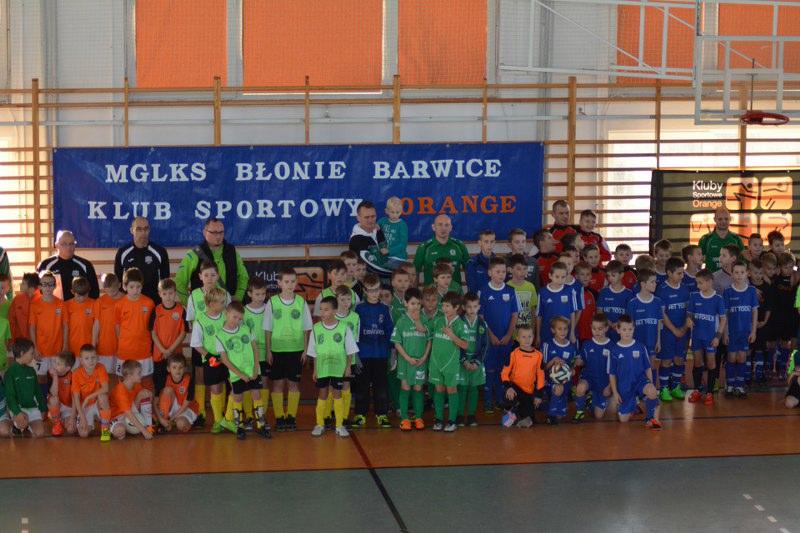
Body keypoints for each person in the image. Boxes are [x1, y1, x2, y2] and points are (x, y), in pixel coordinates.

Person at [264, 268, 312, 432]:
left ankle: (291, 416)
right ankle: (279, 417)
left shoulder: (301, 302)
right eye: (286, 282)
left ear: (296, 282)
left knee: (293, 384)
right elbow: (267, 329)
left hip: (296, 350)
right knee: (277, 384)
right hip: (277, 350)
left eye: (293, 281)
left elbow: (306, 328)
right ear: (279, 283)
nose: (290, 285)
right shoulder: (272, 302)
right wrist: (268, 350)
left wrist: (305, 350)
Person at [216, 301, 270, 439]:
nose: (237, 321)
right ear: (226, 314)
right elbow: (225, 360)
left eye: (240, 318)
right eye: (234, 317)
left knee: (257, 395)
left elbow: (255, 350)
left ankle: (261, 425)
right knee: (237, 397)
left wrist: (255, 369)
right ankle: (239, 427)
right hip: (236, 374)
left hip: (252, 371)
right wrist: (240, 374)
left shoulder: (246, 329)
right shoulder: (220, 336)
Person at [186, 261, 231, 422]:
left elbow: (230, 317)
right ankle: (200, 412)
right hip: (202, 345)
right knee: (199, 375)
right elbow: (191, 319)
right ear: (200, 277)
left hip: (222, 346)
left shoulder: (224, 294)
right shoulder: (194, 295)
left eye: (213, 275)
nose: (210, 278)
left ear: (218, 276)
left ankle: (222, 411)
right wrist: (200, 337)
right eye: (206, 275)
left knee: (222, 377)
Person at [308, 296, 358, 438]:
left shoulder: (344, 328)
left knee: (337, 394)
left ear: (335, 311)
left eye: (326, 309)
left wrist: (348, 367)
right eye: (321, 309)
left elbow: (350, 350)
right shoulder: (316, 328)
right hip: (323, 368)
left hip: (338, 368)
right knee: (322, 394)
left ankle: (339, 425)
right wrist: (315, 369)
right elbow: (314, 352)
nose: (323, 313)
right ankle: (319, 424)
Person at [175, 218, 249, 305]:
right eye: (214, 232)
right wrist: (191, 304)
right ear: (204, 232)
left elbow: (244, 277)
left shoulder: (233, 252)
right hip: (204, 309)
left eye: (221, 232)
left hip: (228, 308)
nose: (218, 236)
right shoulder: (194, 254)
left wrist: (238, 298)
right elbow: (179, 282)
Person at [352, 273, 393, 428]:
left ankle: (381, 414)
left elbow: (390, 331)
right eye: (371, 290)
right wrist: (355, 354)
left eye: (376, 289)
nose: (374, 293)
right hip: (363, 354)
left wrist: (392, 352)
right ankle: (360, 414)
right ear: (364, 290)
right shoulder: (358, 308)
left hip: (380, 354)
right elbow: (354, 332)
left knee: (381, 386)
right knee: (361, 386)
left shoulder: (385, 309)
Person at [478, 258, 519, 412]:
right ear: (490, 273)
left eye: (503, 272)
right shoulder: (483, 291)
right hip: (490, 340)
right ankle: (488, 400)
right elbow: (481, 317)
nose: (501, 275)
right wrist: (491, 336)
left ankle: (501, 399)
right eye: (497, 272)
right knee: (489, 370)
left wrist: (509, 334)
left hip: (506, 339)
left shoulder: (511, 291)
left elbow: (515, 314)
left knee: (503, 370)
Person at [609, 316, 662, 429]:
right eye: (624, 329)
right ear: (618, 330)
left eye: (630, 329)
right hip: (625, 386)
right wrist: (615, 393)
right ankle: (634, 404)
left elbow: (647, 367)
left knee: (652, 391)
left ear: (634, 329)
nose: (627, 332)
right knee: (623, 420)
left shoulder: (640, 346)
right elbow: (612, 374)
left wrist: (650, 384)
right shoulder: (614, 350)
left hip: (640, 381)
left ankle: (651, 418)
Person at [190, 287, 229, 433]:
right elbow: (196, 344)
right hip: (211, 359)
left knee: (228, 385)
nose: (224, 305)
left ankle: (228, 417)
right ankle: (218, 420)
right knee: (215, 388)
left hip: (227, 358)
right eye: (221, 302)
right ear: (211, 304)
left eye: (224, 301)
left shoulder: (226, 316)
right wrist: (209, 357)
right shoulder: (200, 320)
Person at [429, 292, 468, 432]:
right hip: (436, 362)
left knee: (451, 389)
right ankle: (439, 419)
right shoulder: (438, 321)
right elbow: (428, 334)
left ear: (456, 307)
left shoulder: (461, 324)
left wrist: (452, 335)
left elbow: (465, 345)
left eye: (447, 306)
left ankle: (452, 420)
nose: (444, 308)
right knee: (438, 389)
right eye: (443, 305)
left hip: (450, 363)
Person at [391, 288, 429, 431]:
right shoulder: (401, 321)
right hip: (405, 362)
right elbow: (397, 343)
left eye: (418, 304)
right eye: (413, 303)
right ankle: (405, 418)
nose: (416, 307)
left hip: (420, 362)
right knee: (405, 387)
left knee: (418, 388)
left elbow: (429, 339)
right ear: (406, 303)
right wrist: (407, 358)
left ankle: (418, 417)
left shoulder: (424, 320)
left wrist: (424, 357)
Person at [687, 269, 727, 405]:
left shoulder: (718, 299)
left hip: (710, 337)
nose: (698, 286)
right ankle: (697, 390)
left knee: (711, 363)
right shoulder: (694, 296)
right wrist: (689, 319)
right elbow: (689, 314)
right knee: (697, 363)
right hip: (697, 336)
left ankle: (709, 392)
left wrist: (717, 337)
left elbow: (723, 319)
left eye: (700, 283)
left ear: (710, 282)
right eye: (697, 283)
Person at [655, 257, 690, 400]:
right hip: (667, 332)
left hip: (683, 332)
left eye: (683, 273)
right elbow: (662, 314)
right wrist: (674, 330)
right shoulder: (661, 290)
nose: (682, 276)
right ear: (669, 273)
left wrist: (684, 327)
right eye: (679, 273)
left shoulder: (685, 289)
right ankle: (664, 389)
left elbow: (689, 311)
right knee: (666, 360)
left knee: (679, 359)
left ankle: (676, 387)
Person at [114, 217, 170, 304]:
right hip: (130, 304)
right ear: (132, 230)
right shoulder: (122, 253)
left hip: (153, 303)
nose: (143, 233)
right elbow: (118, 282)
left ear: (149, 230)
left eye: (146, 229)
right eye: (139, 229)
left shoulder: (160, 252)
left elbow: (165, 283)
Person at [115, 268, 156, 387]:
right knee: (123, 381)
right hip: (125, 351)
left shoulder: (149, 303)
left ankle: (146, 400)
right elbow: (117, 326)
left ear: (142, 286)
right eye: (131, 287)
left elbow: (153, 328)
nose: (135, 290)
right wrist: (123, 342)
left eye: (138, 287)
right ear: (124, 286)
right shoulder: (119, 304)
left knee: (146, 381)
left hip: (144, 350)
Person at [723, 261, 759, 397]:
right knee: (731, 358)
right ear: (731, 274)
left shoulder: (751, 291)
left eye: (742, 272)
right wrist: (725, 333)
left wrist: (753, 331)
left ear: (747, 274)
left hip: (745, 332)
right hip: (732, 332)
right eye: (736, 272)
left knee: (742, 357)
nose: (739, 275)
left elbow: (755, 312)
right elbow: (724, 315)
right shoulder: (728, 292)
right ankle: (730, 385)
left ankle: (739, 385)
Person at [149, 278, 188, 396]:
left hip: (175, 354)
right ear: (160, 294)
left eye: (170, 293)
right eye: (164, 293)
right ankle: (159, 404)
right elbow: (153, 333)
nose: (168, 297)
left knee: (175, 382)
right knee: (159, 384)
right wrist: (163, 350)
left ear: (175, 292)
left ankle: (175, 404)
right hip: (159, 354)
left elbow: (183, 332)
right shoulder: (156, 310)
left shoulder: (181, 310)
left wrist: (170, 350)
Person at [501, 325, 544, 428]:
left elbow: (541, 376)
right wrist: (508, 387)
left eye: (529, 336)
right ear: (518, 338)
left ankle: (519, 413)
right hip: (514, 388)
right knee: (510, 397)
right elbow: (504, 373)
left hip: (528, 392)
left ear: (533, 337)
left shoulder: (538, 355)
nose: (527, 340)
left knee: (529, 421)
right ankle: (508, 410)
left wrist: (538, 395)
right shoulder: (513, 354)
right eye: (523, 337)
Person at [37, 230, 99, 300]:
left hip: (79, 306)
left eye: (71, 244)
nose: (68, 247)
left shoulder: (85, 265)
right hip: (54, 306)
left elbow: (94, 292)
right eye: (64, 244)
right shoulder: (45, 265)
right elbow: (38, 292)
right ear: (56, 245)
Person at [5, 339, 47, 437]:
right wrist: (17, 412)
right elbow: (10, 396)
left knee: (40, 433)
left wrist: (43, 408)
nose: (33, 356)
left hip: (32, 407)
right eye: (31, 353)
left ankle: (26, 426)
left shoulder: (31, 371)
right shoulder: (10, 373)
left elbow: (38, 392)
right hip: (19, 409)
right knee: (22, 422)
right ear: (22, 353)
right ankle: (17, 425)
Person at [574, 313, 613, 420]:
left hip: (603, 383)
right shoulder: (587, 344)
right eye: (594, 328)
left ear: (606, 328)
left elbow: (615, 371)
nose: (597, 332)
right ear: (591, 327)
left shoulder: (612, 346)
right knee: (580, 387)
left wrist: (609, 387)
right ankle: (580, 412)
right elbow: (582, 360)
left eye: (600, 329)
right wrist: (578, 361)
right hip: (589, 379)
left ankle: (590, 401)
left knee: (598, 416)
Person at [414, 214, 470, 288]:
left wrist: (470, 292)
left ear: (451, 228)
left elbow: (469, 270)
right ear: (433, 227)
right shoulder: (424, 247)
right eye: (440, 224)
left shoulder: (459, 245)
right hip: (431, 293)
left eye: (446, 225)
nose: (443, 228)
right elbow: (415, 272)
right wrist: (414, 293)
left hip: (455, 292)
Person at [458, 292, 488, 427]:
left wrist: (477, 362)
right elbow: (455, 343)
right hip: (462, 362)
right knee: (462, 388)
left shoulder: (482, 323)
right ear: (463, 307)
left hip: (476, 362)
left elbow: (485, 345)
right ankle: (459, 415)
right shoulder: (459, 322)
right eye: (469, 307)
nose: (472, 310)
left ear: (479, 307)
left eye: (475, 306)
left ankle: (471, 415)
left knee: (473, 388)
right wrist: (463, 360)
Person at [626, 270, 664, 378]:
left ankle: (652, 388)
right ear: (643, 284)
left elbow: (659, 323)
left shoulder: (657, 301)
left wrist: (659, 341)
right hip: (637, 342)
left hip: (652, 341)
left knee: (652, 367)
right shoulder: (633, 303)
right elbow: (629, 326)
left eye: (655, 282)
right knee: (638, 368)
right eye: (652, 282)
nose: (655, 284)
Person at [29, 270, 66, 379]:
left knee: (56, 378)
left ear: (55, 286)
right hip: (41, 350)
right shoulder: (35, 305)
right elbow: (32, 328)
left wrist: (65, 346)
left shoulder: (61, 304)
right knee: (41, 379)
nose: (48, 287)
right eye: (44, 284)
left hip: (57, 350)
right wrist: (35, 348)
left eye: (50, 284)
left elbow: (65, 327)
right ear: (40, 286)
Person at [541, 316, 578, 425]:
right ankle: (550, 416)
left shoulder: (571, 347)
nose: (563, 331)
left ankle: (546, 405)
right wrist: (553, 361)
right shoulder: (547, 345)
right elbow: (543, 368)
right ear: (553, 330)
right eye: (559, 329)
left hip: (566, 383)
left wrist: (572, 370)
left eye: (565, 329)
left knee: (560, 416)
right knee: (558, 388)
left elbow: (573, 366)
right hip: (549, 383)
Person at [71, 343, 112, 441]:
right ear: (81, 361)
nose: (91, 361)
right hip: (85, 406)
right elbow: (76, 398)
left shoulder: (100, 367)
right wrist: (82, 417)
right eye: (87, 358)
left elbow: (105, 388)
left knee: (103, 396)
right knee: (83, 434)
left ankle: (105, 430)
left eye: (93, 357)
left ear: (97, 358)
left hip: (98, 403)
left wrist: (88, 397)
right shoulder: (76, 373)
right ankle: (96, 419)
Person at [333, 285, 360, 427]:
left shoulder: (355, 317)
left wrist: (352, 361)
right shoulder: (331, 316)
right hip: (333, 359)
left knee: (346, 385)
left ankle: (344, 416)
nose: (346, 302)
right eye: (342, 299)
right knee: (333, 387)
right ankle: (331, 414)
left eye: (348, 299)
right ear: (336, 299)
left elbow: (356, 340)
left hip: (349, 360)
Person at [243, 277, 269, 422]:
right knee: (248, 385)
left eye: (263, 294)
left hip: (265, 353)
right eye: (257, 294)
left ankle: (261, 416)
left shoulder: (269, 308)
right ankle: (249, 416)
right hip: (249, 356)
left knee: (263, 384)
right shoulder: (243, 311)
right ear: (249, 294)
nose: (260, 297)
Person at [536, 261, 578, 347]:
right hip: (547, 332)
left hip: (565, 332)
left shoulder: (570, 290)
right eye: (557, 277)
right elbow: (539, 315)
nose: (560, 280)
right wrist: (538, 335)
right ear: (550, 276)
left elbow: (572, 313)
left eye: (563, 277)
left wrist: (572, 332)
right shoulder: (542, 292)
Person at [109, 360, 154, 440]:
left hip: (130, 413)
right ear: (130, 376)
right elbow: (128, 413)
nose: (141, 375)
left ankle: (149, 426)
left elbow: (147, 397)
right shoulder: (120, 391)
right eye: (139, 373)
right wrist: (144, 432)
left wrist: (148, 396)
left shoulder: (136, 384)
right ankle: (117, 429)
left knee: (145, 393)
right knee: (120, 430)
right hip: (117, 416)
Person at [349, 200, 395, 278]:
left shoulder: (378, 230)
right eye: (366, 217)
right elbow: (372, 267)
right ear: (358, 218)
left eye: (373, 216)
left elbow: (388, 254)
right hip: (368, 281)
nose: (370, 220)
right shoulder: (356, 240)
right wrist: (394, 273)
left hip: (386, 278)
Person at [156, 354, 199, 433]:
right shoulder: (165, 379)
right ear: (168, 369)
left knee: (181, 425)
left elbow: (185, 405)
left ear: (185, 368)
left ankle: (193, 421)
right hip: (173, 406)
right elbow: (156, 401)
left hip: (187, 408)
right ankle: (164, 422)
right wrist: (161, 419)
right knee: (167, 390)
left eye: (180, 367)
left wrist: (172, 419)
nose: (177, 370)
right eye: (174, 367)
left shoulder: (189, 380)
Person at [771, 252, 796, 379]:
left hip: (790, 316)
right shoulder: (776, 279)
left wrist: (794, 273)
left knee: (786, 343)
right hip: (777, 316)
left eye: (791, 267)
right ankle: (772, 367)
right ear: (780, 267)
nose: (789, 270)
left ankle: (783, 369)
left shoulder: (795, 279)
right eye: (786, 267)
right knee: (776, 343)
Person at [92, 273, 123, 375]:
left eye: (113, 291)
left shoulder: (126, 300)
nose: (110, 294)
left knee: (121, 375)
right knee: (105, 375)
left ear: (119, 285)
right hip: (105, 346)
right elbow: (96, 324)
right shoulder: (100, 301)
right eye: (107, 291)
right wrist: (93, 344)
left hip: (122, 345)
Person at [749, 259, 773, 388]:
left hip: (762, 324)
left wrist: (764, 321)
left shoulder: (767, 287)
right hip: (749, 324)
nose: (758, 275)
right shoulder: (746, 286)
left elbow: (769, 307)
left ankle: (759, 374)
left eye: (760, 273)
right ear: (749, 272)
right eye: (755, 273)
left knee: (760, 349)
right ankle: (747, 375)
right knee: (749, 350)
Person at [698, 206, 744, 273]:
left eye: (726, 219)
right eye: (720, 219)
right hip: (711, 278)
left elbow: (742, 262)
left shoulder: (736, 239)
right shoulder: (705, 239)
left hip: (732, 278)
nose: (723, 221)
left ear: (730, 219)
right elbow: (698, 263)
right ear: (714, 219)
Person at [597, 260, 634, 343]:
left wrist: (618, 323)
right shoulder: (603, 292)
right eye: (608, 275)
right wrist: (609, 323)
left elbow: (630, 314)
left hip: (622, 333)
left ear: (621, 275)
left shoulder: (629, 293)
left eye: (613, 275)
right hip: (605, 332)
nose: (610, 278)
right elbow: (599, 312)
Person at [507, 254, 538, 340]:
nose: (522, 272)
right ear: (510, 270)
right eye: (519, 269)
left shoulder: (530, 286)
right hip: (512, 335)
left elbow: (533, 311)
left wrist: (533, 330)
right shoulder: (507, 287)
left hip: (527, 334)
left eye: (525, 268)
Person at [64, 277, 96, 358]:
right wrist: (65, 345)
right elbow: (65, 328)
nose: (82, 298)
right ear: (72, 292)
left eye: (85, 295)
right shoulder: (66, 305)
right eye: (78, 296)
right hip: (72, 347)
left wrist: (94, 344)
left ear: (89, 291)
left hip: (89, 347)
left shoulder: (94, 304)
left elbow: (97, 326)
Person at [47, 351, 76, 436]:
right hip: (56, 404)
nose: (55, 365)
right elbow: (54, 393)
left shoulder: (73, 377)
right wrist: (55, 376)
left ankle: (62, 419)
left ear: (67, 368)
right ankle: (57, 423)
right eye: (55, 362)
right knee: (54, 399)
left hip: (68, 406)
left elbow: (75, 398)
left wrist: (72, 417)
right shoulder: (50, 374)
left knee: (71, 429)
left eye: (59, 364)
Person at [8, 273, 39, 341]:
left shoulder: (42, 300)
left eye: (23, 283)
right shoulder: (17, 299)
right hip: (20, 341)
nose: (20, 285)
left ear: (31, 287)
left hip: (39, 342)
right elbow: (11, 320)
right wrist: (13, 339)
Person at [377, 196, 408, 261]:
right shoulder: (382, 221)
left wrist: (389, 250)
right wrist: (375, 227)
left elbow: (403, 244)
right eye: (392, 212)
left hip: (398, 257)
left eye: (397, 212)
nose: (395, 215)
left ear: (401, 211)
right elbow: (374, 228)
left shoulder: (402, 225)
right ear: (386, 211)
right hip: (384, 256)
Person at [465, 229, 496, 294]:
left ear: (494, 243)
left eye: (492, 241)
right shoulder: (472, 263)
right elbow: (472, 287)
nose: (489, 245)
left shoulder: (499, 262)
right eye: (486, 242)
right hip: (479, 298)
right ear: (479, 243)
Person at [574, 262, 598, 345]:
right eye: (582, 274)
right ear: (576, 276)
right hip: (576, 333)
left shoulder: (594, 293)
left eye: (588, 274)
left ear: (591, 276)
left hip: (591, 333)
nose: (585, 277)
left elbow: (596, 313)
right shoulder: (573, 293)